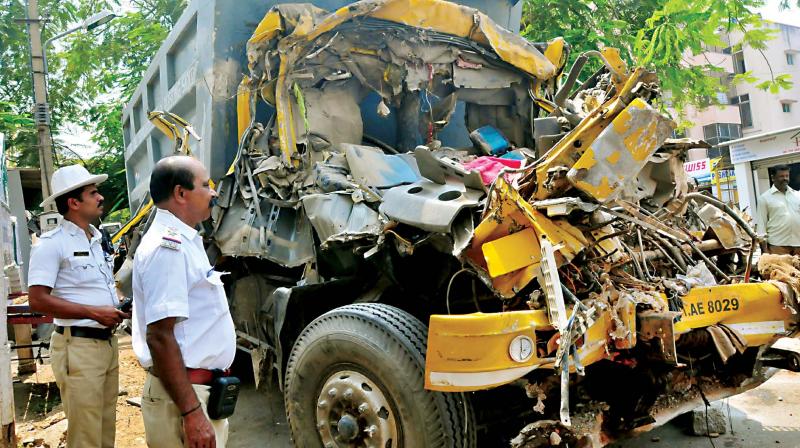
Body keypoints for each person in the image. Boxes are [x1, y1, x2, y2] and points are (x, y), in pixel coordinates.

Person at [131, 155, 235, 447]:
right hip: (184, 399)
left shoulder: (184, 241)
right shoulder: (169, 248)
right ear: (180, 193)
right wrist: (192, 413)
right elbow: (160, 336)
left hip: (196, 392)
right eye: (205, 185)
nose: (213, 193)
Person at [28, 165, 128, 448]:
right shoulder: (51, 244)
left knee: (105, 429)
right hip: (79, 348)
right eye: (93, 193)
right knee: (85, 436)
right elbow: (37, 299)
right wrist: (93, 312)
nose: (100, 198)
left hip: (106, 346)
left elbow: (94, 290)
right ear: (73, 202)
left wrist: (117, 307)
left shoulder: (96, 239)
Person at [756, 165, 800, 255]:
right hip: (777, 247)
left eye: (787, 176)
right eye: (781, 176)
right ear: (773, 178)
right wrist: (764, 251)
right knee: (780, 270)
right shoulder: (764, 198)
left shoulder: (797, 195)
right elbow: (761, 225)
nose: (785, 178)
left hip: (798, 245)